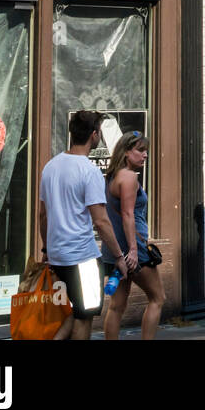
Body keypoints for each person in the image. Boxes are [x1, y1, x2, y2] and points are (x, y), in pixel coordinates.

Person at [40, 110, 131, 340]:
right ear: (94, 135)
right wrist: (119, 257)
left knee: (70, 314)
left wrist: (46, 249)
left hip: (58, 256)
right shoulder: (89, 171)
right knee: (84, 316)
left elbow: (43, 215)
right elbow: (100, 220)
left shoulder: (50, 167)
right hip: (83, 257)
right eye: (99, 131)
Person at [101, 132, 164, 341]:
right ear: (126, 152)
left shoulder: (111, 176)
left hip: (113, 250)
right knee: (157, 298)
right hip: (132, 250)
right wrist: (134, 251)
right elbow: (128, 215)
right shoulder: (128, 177)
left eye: (146, 150)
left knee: (117, 306)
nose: (145, 155)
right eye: (140, 150)